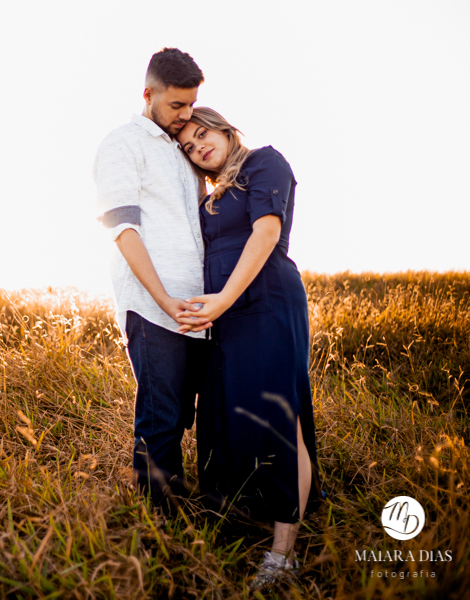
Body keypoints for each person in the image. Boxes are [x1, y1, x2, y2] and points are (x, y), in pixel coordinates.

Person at [175, 107, 324, 591]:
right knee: (232, 415)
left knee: (280, 418)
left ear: (224, 127)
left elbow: (267, 233)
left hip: (265, 301)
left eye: (203, 134)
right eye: (191, 148)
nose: (200, 147)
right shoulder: (209, 199)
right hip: (224, 315)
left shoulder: (264, 162)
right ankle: (248, 514)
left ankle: (283, 554)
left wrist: (221, 299)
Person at [92, 48, 213, 514]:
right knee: (161, 418)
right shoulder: (123, 143)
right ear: (148, 94)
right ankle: (159, 524)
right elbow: (123, 228)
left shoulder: (184, 149)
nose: (185, 115)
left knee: (188, 416)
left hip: (200, 307)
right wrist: (161, 297)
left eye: (191, 104)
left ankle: (199, 505)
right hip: (152, 303)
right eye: (176, 105)